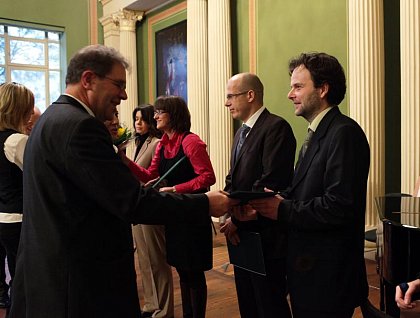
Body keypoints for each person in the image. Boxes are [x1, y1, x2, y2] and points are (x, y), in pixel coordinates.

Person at [8, 44, 234, 318]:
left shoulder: (51, 119)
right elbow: (131, 202)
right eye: (118, 84)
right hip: (79, 284)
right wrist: (204, 205)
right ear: (88, 79)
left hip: (53, 273)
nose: (124, 94)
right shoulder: (81, 126)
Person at [244, 52, 370, 318]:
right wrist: (271, 201)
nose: (290, 94)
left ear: (323, 89)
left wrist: (282, 209)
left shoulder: (344, 133)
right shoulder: (317, 132)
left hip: (328, 279)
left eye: (298, 86)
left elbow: (338, 206)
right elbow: (304, 191)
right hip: (309, 273)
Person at [121, 96, 215, 318]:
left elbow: (207, 177)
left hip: (192, 214)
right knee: (183, 272)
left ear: (173, 114)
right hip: (176, 215)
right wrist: (125, 162)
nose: (154, 116)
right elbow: (150, 176)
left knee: (194, 273)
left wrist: (176, 189)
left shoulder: (190, 142)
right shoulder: (163, 142)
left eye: (159, 112)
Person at [220, 72, 296, 318]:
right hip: (242, 234)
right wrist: (230, 214)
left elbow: (270, 183)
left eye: (231, 96)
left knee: (269, 305)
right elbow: (233, 179)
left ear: (250, 95)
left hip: (267, 236)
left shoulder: (276, 127)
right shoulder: (241, 132)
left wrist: (236, 216)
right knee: (248, 303)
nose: (227, 102)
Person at [131, 104, 174, 318]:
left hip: (151, 203)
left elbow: (151, 175)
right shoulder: (134, 143)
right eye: (136, 119)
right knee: (144, 260)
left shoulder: (157, 143)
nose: (138, 123)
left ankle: (164, 310)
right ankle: (150, 304)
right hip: (136, 205)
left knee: (157, 260)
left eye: (142, 119)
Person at [0, 82, 34, 309]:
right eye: (29, 108)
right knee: (25, 280)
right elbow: (41, 175)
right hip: (19, 218)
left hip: (2, 217)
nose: (31, 114)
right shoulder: (16, 141)